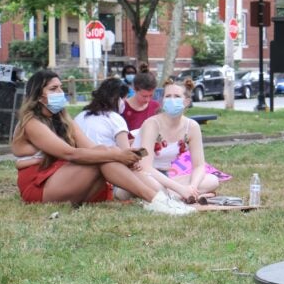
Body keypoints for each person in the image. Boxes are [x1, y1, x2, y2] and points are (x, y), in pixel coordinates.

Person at [11, 70, 194, 215]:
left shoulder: (64, 119)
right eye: (53, 89)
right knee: (103, 157)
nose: (60, 92)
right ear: (38, 95)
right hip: (39, 186)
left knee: (104, 154)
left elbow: (92, 147)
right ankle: (157, 200)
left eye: (60, 87)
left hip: (65, 178)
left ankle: (162, 199)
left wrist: (123, 156)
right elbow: (69, 153)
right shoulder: (32, 122)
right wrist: (116, 153)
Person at [134, 80, 221, 202]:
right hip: (141, 174)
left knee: (212, 180)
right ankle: (179, 196)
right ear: (163, 100)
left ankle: (178, 195)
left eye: (177, 96)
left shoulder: (192, 127)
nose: (172, 100)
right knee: (153, 184)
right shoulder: (152, 124)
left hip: (166, 177)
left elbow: (199, 165)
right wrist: (181, 189)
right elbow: (145, 166)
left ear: (187, 102)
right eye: (168, 96)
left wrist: (192, 187)